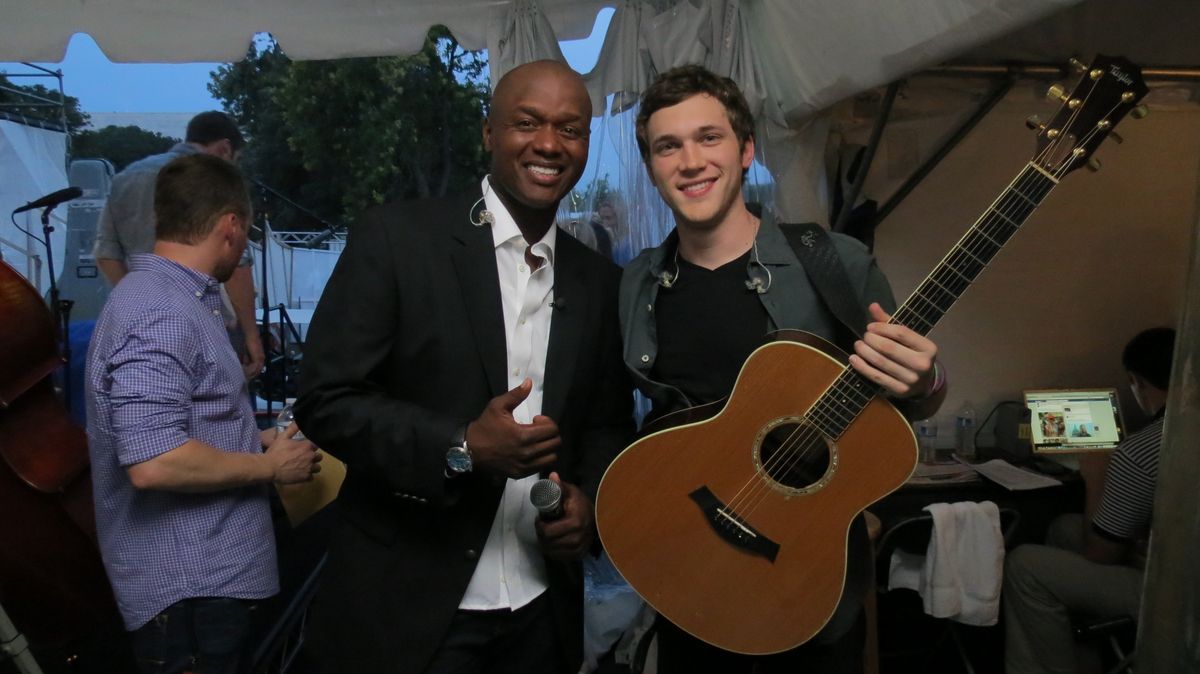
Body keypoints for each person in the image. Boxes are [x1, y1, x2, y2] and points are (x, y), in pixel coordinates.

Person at [293, 59, 634, 674]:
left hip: (541, 610)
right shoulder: (397, 241)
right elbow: (325, 399)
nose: (549, 144)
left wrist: (590, 506)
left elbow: (607, 425)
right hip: (410, 607)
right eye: (527, 122)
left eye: (571, 128)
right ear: (488, 133)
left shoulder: (599, 280)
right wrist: (462, 445)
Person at [620, 64, 946, 672]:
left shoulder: (835, 262)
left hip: (806, 579)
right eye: (669, 146)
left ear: (745, 151)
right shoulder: (637, 283)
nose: (690, 161)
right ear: (652, 168)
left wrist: (927, 381)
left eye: (709, 137)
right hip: (689, 571)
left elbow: (912, 398)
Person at [85, 153, 321, 674]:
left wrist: (253, 438)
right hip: (190, 594)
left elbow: (182, 422)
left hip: (204, 587)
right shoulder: (159, 312)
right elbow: (154, 462)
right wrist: (270, 467)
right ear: (231, 226)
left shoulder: (174, 299)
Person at [1004, 327, 1175, 674]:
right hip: (1171, 560)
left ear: (1136, 382)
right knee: (1063, 529)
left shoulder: (1141, 451)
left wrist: (1096, 475)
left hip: (1174, 595)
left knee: (1025, 565)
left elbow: (1102, 552)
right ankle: (1085, 661)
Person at [93, 111, 265, 381]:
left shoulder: (125, 178)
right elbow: (236, 264)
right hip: (209, 323)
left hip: (135, 325)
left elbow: (106, 254)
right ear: (225, 148)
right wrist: (252, 336)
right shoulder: (213, 182)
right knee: (222, 412)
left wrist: (140, 303)